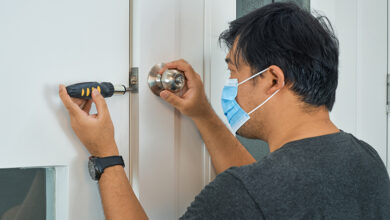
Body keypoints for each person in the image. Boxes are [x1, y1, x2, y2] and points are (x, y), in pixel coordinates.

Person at [59, 2, 390, 219]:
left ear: (273, 79)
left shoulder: (246, 192)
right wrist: (202, 113)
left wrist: (105, 155)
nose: (230, 84)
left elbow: (258, 194)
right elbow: (270, 196)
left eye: (234, 72)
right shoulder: (366, 160)